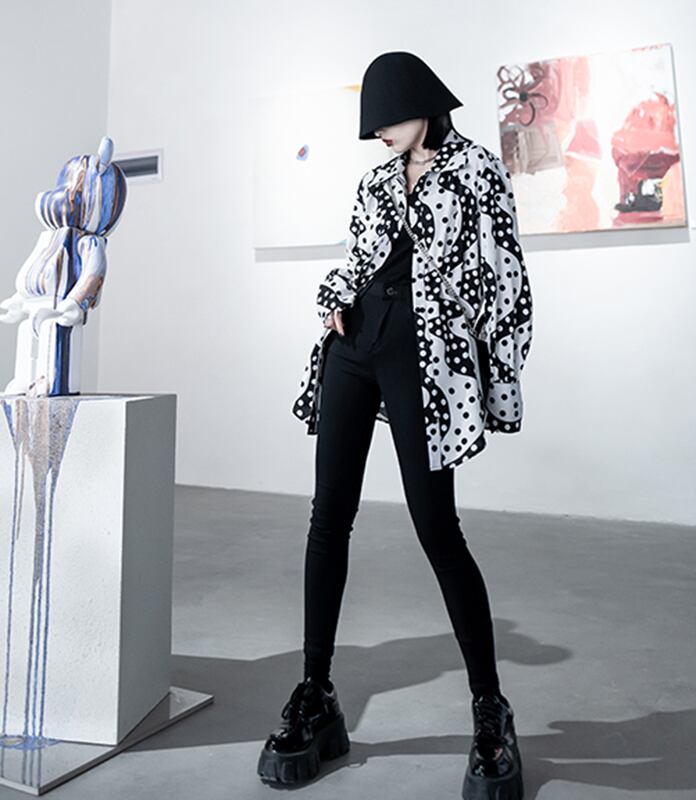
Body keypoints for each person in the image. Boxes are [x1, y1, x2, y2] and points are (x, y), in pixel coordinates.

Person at [258, 51, 533, 800]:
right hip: (354, 348)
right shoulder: (375, 181)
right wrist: (334, 297)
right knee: (328, 516)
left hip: (425, 357)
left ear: (422, 103)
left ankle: (490, 707)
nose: (376, 131)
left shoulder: (478, 170)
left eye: (386, 116)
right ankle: (316, 691)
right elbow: (357, 255)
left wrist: (495, 371)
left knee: (436, 527)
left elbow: (507, 278)